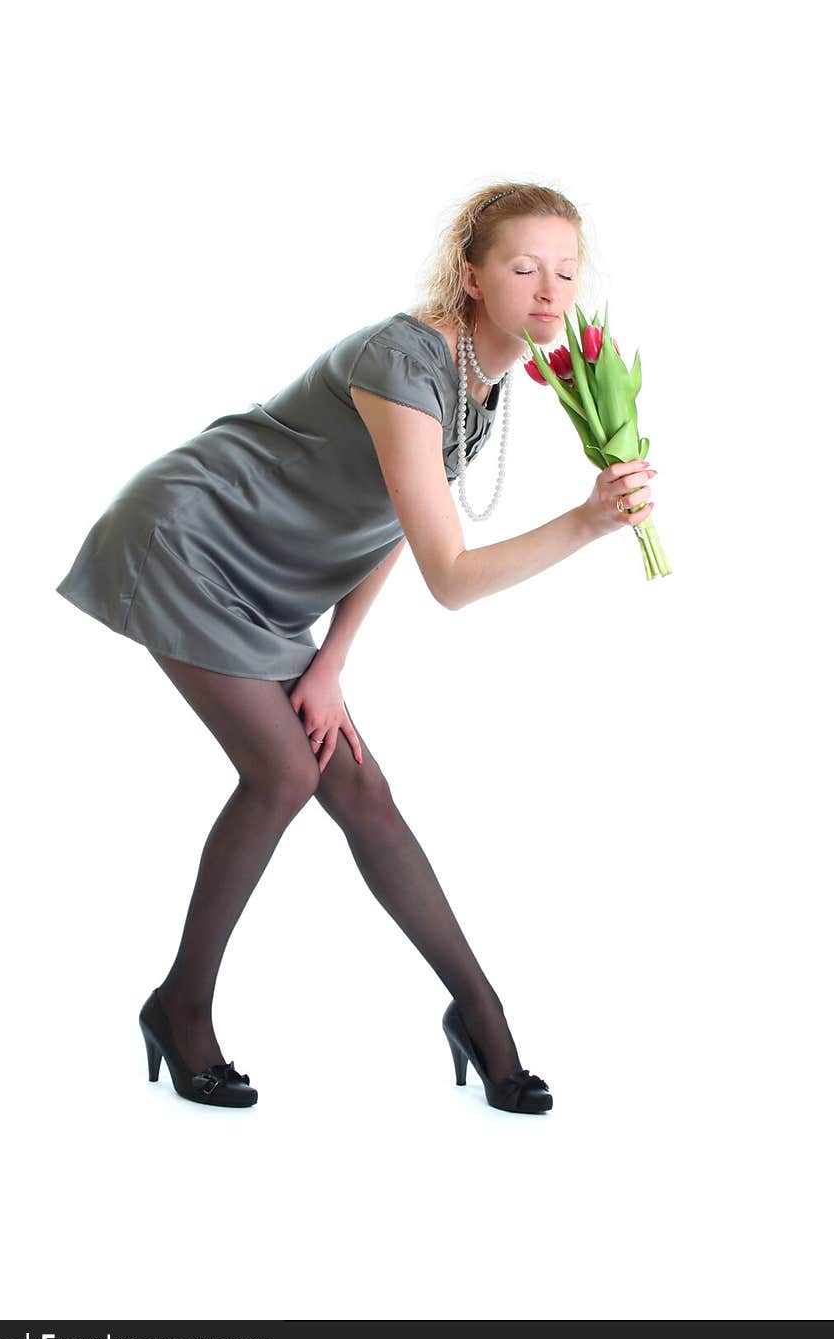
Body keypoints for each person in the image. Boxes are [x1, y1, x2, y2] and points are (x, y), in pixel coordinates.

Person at [55, 181, 654, 1114]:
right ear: (472, 274)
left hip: (272, 580)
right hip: (190, 537)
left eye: (566, 272)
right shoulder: (404, 361)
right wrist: (583, 525)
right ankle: (182, 1009)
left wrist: (331, 663)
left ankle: (482, 1016)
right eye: (524, 267)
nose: (549, 291)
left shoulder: (481, 385)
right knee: (284, 773)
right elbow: (449, 577)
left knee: (358, 783)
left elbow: (385, 528)